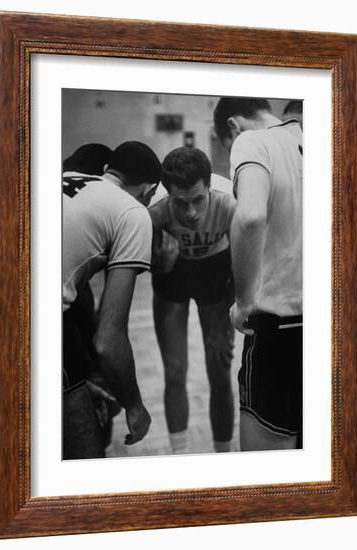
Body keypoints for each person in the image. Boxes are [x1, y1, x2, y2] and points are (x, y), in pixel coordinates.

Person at [213, 97, 303, 451]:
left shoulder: (253, 141)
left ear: (233, 127)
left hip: (281, 330)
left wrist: (243, 301)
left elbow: (250, 216)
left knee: (269, 480)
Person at [63, 141, 161, 459]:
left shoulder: (64, 179)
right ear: (151, 188)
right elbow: (108, 339)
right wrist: (135, 406)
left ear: (108, 171)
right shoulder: (131, 211)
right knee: (85, 456)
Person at [149, 147, 236, 454]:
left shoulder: (229, 203)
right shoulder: (155, 210)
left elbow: (244, 268)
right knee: (174, 372)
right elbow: (142, 268)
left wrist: (224, 324)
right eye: (181, 203)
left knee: (220, 372)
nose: (191, 213)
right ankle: (180, 456)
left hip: (215, 273)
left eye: (198, 200)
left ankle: (222, 457)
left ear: (210, 187)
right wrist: (160, 263)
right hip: (172, 276)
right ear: (168, 195)